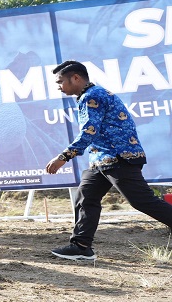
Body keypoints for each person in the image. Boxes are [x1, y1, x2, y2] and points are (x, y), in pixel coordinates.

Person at [44, 60, 172, 261]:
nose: (59, 87)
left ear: (76, 78)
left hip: (119, 158)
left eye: (60, 82)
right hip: (102, 160)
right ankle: (81, 247)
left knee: (143, 202)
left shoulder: (92, 96)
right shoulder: (93, 94)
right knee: (86, 197)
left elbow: (89, 131)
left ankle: (81, 246)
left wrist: (64, 157)